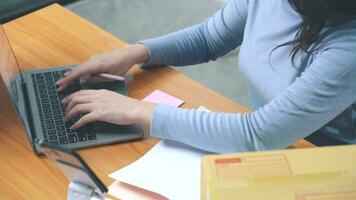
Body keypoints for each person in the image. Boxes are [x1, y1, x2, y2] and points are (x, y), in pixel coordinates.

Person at [57, 0, 356, 153]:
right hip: (274, 139)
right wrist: (136, 53)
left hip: (320, 160)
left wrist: (136, 111)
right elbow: (209, 38)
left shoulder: (348, 48)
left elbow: (258, 135)